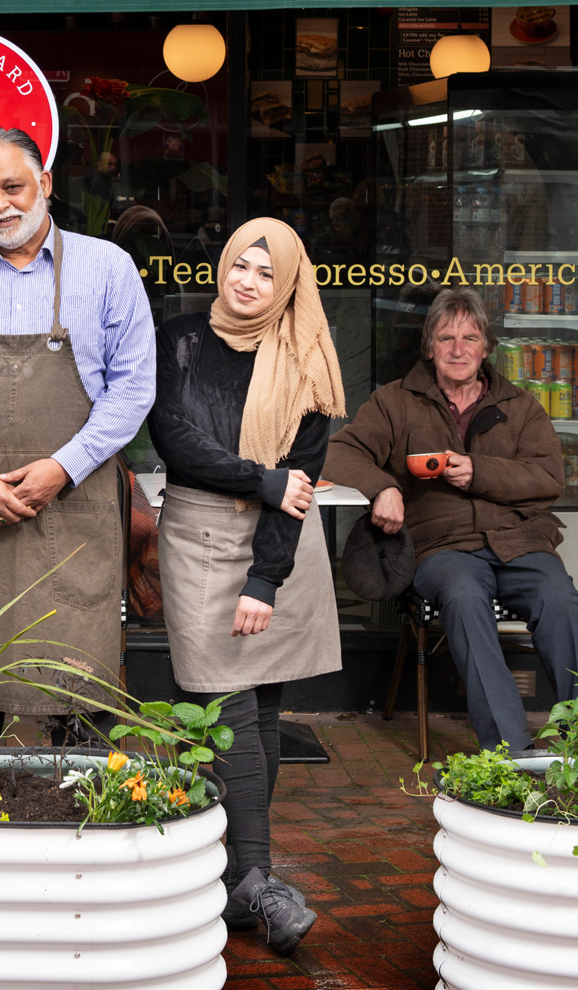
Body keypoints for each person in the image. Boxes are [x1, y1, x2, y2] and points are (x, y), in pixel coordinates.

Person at [0, 127, 155, 747]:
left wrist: (63, 466)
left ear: (43, 183)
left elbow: (133, 389)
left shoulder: (107, 269)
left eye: (12, 186)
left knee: (81, 711)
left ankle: (83, 834)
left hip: (74, 516)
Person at [149, 219, 340, 955]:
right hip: (198, 535)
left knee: (261, 710)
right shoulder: (182, 338)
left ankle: (243, 883)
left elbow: (302, 488)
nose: (248, 280)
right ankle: (256, 881)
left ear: (288, 280)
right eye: (239, 265)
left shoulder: (309, 364)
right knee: (225, 701)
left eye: (265, 272)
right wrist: (259, 478)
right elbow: (172, 437)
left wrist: (265, 579)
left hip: (277, 551)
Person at [324, 285, 578, 753]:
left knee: (564, 600)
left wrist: (479, 471)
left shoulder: (521, 407)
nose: (458, 349)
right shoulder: (396, 402)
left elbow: (550, 476)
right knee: (466, 600)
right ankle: (510, 750)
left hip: (520, 541)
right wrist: (383, 487)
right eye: (446, 338)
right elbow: (337, 452)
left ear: (486, 347)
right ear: (429, 346)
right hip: (442, 547)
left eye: (470, 338)